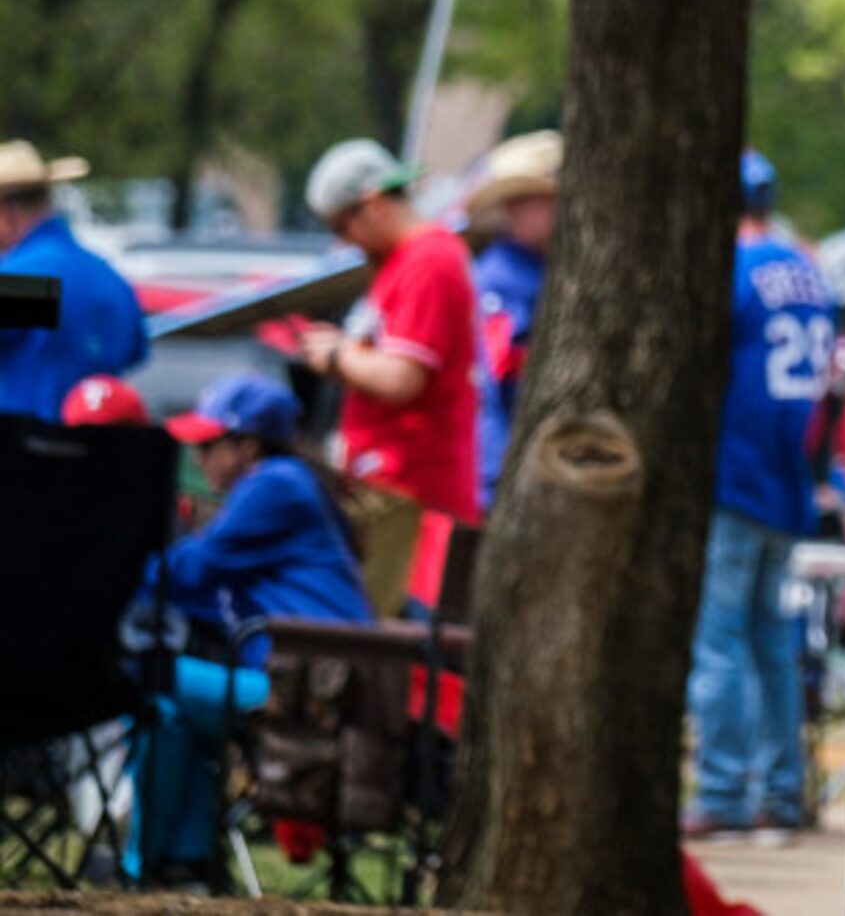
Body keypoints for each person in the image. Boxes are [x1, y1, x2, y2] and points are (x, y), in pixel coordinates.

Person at [135, 374, 370, 879]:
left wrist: (105, 571)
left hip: (310, 692)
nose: (199, 459)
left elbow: (190, 570)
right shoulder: (290, 483)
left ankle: (153, 861)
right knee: (174, 711)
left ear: (249, 444)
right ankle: (182, 863)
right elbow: (201, 587)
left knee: (149, 679)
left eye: (209, 444)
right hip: (313, 684)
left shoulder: (274, 485)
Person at [685, 151, 837, 844]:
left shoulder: (736, 270)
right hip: (788, 477)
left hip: (735, 472)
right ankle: (781, 791)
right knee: (773, 644)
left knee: (719, 644)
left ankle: (723, 793)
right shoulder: (810, 273)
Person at [298, 137, 480, 616]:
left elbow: (403, 378)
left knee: (382, 643)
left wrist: (337, 355)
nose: (343, 241)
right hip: (389, 485)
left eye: (343, 225)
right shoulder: (406, 261)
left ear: (373, 204)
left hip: (410, 489)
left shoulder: (428, 261)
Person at [0, 139, 149, 417]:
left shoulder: (12, 276)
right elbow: (135, 352)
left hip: (19, 451)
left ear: (4, 212)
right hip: (103, 452)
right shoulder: (111, 278)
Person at [466, 130, 561, 508]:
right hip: (507, 473)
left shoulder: (552, 271)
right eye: (511, 201)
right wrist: (493, 479)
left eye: (526, 200)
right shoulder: (497, 280)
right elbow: (487, 382)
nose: (513, 210)